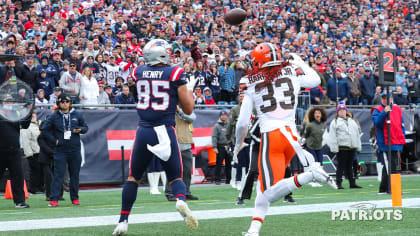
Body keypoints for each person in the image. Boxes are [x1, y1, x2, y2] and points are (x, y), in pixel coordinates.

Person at [233, 44, 336, 236]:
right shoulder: (290, 71)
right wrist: (300, 61)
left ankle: (309, 175)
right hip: (291, 136)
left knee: (269, 193)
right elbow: (315, 80)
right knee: (262, 191)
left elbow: (242, 123)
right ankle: (253, 230)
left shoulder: (250, 81)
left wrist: (239, 142)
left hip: (272, 137)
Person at [112, 39, 198, 235]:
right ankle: (181, 201)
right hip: (164, 130)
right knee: (175, 176)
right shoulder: (175, 73)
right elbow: (188, 108)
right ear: (162, 54)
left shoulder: (139, 71)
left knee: (133, 178)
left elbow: (139, 82)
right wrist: (188, 90)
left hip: (143, 131)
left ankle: (123, 221)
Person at [40, 94, 89, 207]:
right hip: (60, 150)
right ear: (58, 103)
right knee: (58, 175)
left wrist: (81, 130)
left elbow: (86, 127)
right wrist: (54, 141)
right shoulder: (54, 116)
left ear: (70, 103)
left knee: (74, 175)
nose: (65, 103)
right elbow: (44, 130)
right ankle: (54, 199)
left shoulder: (77, 114)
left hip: (75, 149)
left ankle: (75, 198)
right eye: (62, 102)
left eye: (67, 101)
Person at [0, 94, 31, 208]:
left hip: (14, 150)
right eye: (7, 101)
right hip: (1, 150)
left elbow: (25, 125)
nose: (9, 103)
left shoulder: (16, 113)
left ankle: (20, 201)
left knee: (18, 176)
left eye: (10, 101)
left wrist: (28, 112)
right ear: (2, 102)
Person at [371, 91, 405, 194]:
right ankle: (392, 188)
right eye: (384, 98)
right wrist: (384, 112)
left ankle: (384, 188)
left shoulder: (397, 109)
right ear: (381, 99)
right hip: (385, 143)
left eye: (387, 98)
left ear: (391, 99)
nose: (385, 100)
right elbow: (377, 124)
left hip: (396, 141)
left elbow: (401, 124)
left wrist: (402, 136)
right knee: (390, 166)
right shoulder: (377, 110)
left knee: (392, 166)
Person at [165, 106, 199, 201]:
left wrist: (180, 111)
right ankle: (170, 192)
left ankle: (186, 192)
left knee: (187, 171)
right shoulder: (168, 112)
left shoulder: (186, 110)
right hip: (173, 145)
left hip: (186, 145)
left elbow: (192, 118)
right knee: (173, 170)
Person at [327, 104, 362, 189]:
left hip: (351, 147)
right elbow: (332, 136)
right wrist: (334, 147)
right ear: (338, 112)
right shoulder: (335, 122)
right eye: (340, 110)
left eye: (343, 110)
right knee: (341, 166)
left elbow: (356, 134)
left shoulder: (352, 121)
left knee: (350, 166)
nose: (342, 112)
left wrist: (357, 145)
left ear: (346, 111)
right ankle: (338, 183)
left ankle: (352, 183)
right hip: (341, 147)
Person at [20, 113, 42, 194]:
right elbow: (25, 142)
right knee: (34, 171)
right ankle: (33, 188)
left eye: (34, 114)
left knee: (40, 171)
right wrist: (29, 155)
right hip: (33, 153)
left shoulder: (37, 125)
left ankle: (40, 187)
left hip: (40, 152)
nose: (33, 116)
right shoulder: (25, 127)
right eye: (31, 115)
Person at [212, 110, 232, 185]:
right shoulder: (217, 126)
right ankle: (217, 179)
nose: (223, 117)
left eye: (225, 115)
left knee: (229, 164)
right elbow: (214, 137)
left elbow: (232, 135)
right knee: (219, 164)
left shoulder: (229, 124)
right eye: (222, 115)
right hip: (220, 146)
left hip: (228, 146)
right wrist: (214, 147)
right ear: (220, 116)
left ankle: (229, 179)